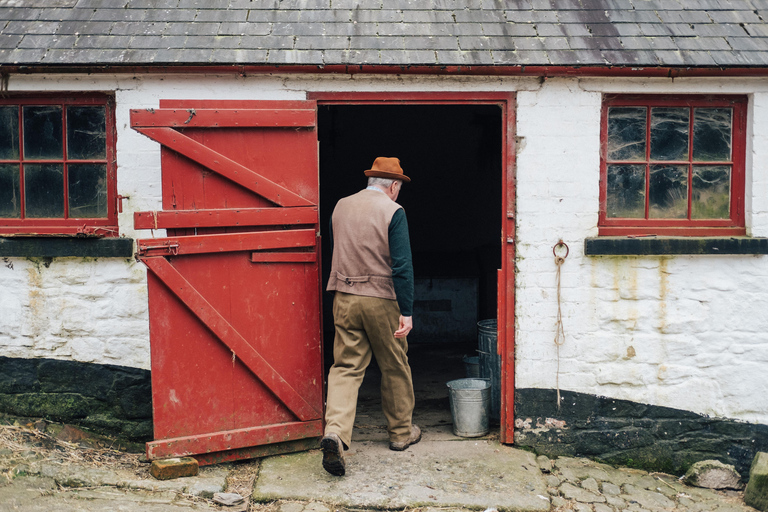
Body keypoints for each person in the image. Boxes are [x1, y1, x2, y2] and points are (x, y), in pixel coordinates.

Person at [320, 157, 420, 477]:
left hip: (344, 297)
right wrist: (406, 311)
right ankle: (401, 433)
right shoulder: (393, 211)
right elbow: (402, 266)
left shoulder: (340, 206)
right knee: (394, 365)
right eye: (398, 190)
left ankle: (335, 432)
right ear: (393, 186)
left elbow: (340, 249)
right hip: (381, 301)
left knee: (346, 367)